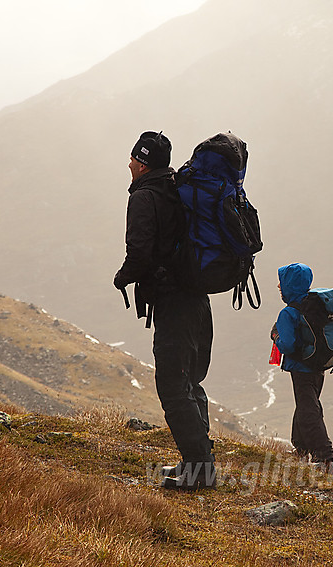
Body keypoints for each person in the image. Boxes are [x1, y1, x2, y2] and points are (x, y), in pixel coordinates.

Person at [113, 131, 216, 490]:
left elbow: (139, 253)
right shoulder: (178, 188)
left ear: (142, 163)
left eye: (132, 159)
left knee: (172, 386)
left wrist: (122, 277)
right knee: (188, 381)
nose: (128, 164)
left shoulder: (145, 197)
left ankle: (200, 471)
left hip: (175, 302)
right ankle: (200, 461)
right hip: (198, 299)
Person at [270, 262, 333, 473]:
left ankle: (325, 458)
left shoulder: (288, 313)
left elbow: (288, 344)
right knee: (306, 405)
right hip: (318, 365)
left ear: (289, 286)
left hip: (301, 367)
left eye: (282, 284)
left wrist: (275, 336)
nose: (280, 288)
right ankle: (300, 451)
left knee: (309, 409)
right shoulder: (317, 306)